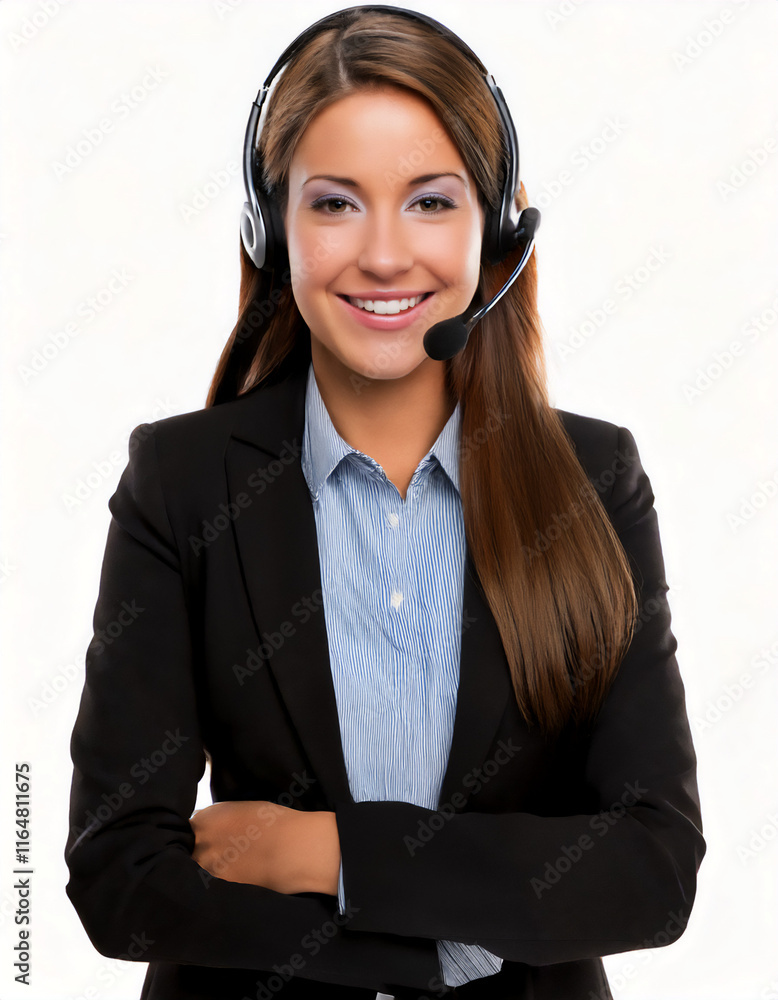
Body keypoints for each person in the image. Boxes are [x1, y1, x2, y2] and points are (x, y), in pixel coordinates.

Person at [64, 7, 706, 1000]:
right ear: (270, 228)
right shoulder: (180, 482)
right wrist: (463, 932)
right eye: (334, 204)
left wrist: (327, 853)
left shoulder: (594, 481)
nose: (383, 254)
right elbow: (119, 876)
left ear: (495, 227)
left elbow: (650, 868)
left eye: (429, 202)